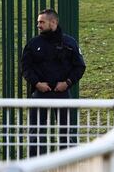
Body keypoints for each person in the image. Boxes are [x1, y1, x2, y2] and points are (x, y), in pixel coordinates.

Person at [21, 8, 86, 157]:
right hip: (39, 93)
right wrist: (37, 83)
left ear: (53, 22)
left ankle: (68, 164)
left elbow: (80, 66)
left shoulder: (69, 43)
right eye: (38, 22)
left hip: (62, 92)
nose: (38, 25)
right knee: (35, 131)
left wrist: (67, 83)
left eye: (42, 22)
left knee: (67, 131)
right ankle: (35, 165)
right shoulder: (33, 44)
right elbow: (25, 68)